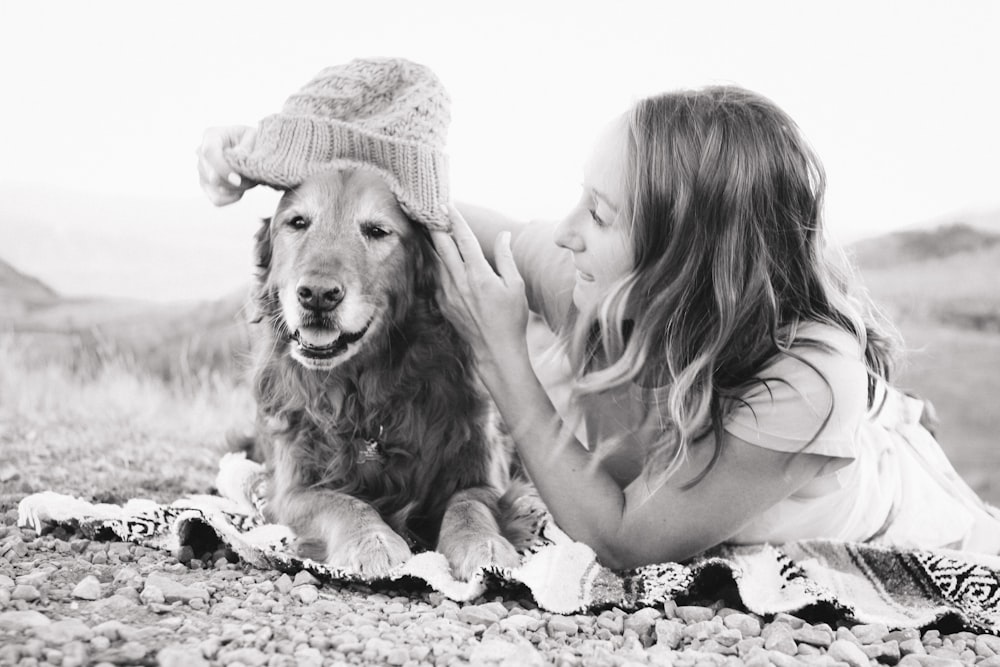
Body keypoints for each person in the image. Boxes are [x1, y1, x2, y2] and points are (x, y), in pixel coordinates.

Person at [199, 84, 1000, 570]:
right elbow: (430, 215)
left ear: (681, 257)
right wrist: (259, 150)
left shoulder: (806, 385)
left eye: (601, 212)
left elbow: (625, 540)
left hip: (885, 496)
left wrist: (503, 354)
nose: (567, 227)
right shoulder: (596, 279)